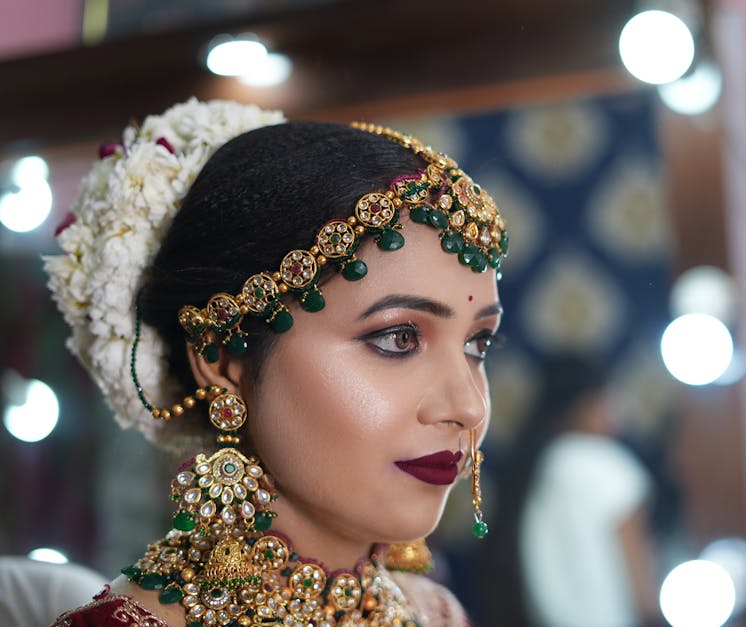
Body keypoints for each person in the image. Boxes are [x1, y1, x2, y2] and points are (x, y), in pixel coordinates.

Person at [43, 99, 508, 626]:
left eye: (478, 344)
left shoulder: (438, 615)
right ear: (221, 361)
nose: (469, 407)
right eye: (399, 339)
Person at [480, 354, 659, 627]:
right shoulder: (605, 463)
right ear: (583, 405)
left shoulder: (536, 467)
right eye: (606, 399)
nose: (616, 412)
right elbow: (641, 585)